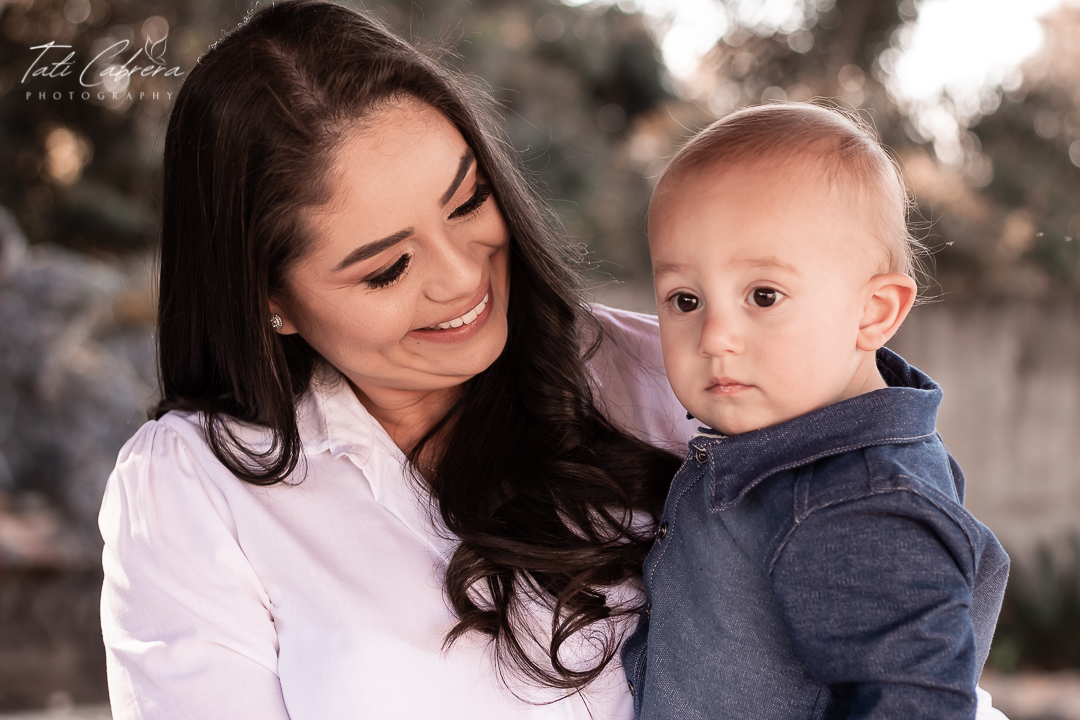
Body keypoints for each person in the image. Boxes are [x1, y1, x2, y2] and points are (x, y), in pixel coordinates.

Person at [98, 1, 696, 718]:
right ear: (268, 300)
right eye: (387, 269)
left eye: (469, 202)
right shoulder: (195, 491)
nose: (460, 276)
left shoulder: (666, 374)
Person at [620, 103, 1010, 719]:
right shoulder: (791, 450)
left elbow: (916, 703)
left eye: (763, 295)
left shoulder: (853, 499)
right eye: (685, 299)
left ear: (874, 312)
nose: (714, 335)